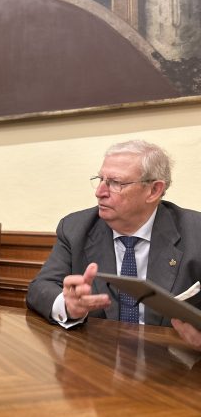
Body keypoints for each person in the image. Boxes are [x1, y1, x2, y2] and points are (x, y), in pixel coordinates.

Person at [26, 140, 201, 329]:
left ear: (154, 190)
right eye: (101, 179)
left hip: (172, 353)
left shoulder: (195, 231)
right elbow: (40, 288)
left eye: (115, 183)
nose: (100, 192)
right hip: (96, 351)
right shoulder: (75, 227)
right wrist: (67, 306)